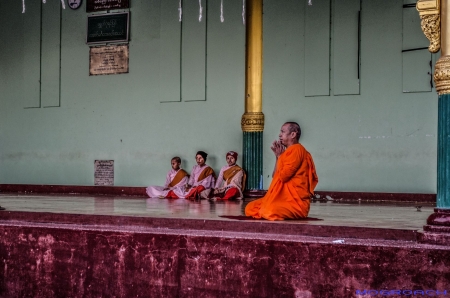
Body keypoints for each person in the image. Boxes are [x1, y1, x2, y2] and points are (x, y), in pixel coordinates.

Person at [245, 122, 318, 220]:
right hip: (281, 199)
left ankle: (270, 209)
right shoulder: (286, 153)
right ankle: (268, 207)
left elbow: (284, 176)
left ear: (293, 134)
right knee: (250, 207)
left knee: (269, 211)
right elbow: (275, 176)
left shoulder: (297, 150)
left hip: (295, 204)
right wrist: (278, 157)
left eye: (283, 132)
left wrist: (280, 156)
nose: (280, 134)